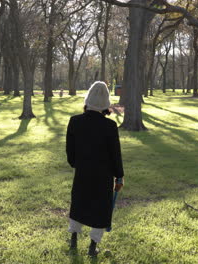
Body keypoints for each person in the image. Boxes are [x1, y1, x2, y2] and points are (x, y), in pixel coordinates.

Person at [65, 81, 124, 257]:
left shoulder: (75, 121)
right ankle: (92, 247)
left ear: (88, 98)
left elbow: (70, 152)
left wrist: (79, 164)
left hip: (82, 172)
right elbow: (115, 155)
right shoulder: (110, 126)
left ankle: (74, 240)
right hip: (103, 176)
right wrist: (119, 177)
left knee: (79, 204)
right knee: (100, 208)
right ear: (106, 102)